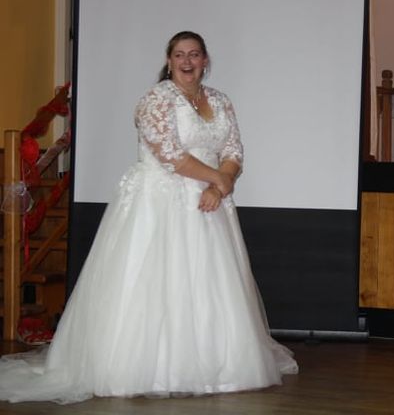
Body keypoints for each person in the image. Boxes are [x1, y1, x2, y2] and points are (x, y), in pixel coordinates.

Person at [0, 31, 298, 403]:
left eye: (194, 54)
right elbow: (169, 155)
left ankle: (214, 366)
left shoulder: (221, 101)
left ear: (206, 60)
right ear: (169, 61)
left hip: (209, 202)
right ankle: (142, 368)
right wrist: (217, 179)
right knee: (155, 284)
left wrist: (219, 186)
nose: (187, 61)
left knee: (208, 287)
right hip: (160, 203)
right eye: (179, 55)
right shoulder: (155, 100)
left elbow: (234, 149)